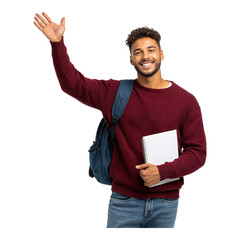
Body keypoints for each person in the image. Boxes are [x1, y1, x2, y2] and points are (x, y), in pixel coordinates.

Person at [33, 12, 207, 228]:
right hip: (124, 202)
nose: (145, 56)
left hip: (166, 203)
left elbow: (197, 153)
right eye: (138, 52)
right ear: (131, 59)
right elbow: (73, 84)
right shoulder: (116, 93)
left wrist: (162, 172)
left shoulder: (186, 101)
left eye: (151, 50)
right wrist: (57, 44)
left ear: (161, 54)